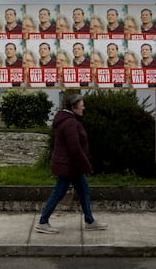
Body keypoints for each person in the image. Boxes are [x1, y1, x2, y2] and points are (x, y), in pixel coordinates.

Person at [35, 94, 108, 234]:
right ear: (74, 107)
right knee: (59, 193)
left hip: (72, 166)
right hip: (69, 166)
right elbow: (74, 147)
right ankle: (43, 221)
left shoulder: (69, 120)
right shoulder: (70, 123)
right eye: (81, 106)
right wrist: (86, 164)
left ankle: (89, 220)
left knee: (83, 190)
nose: (84, 108)